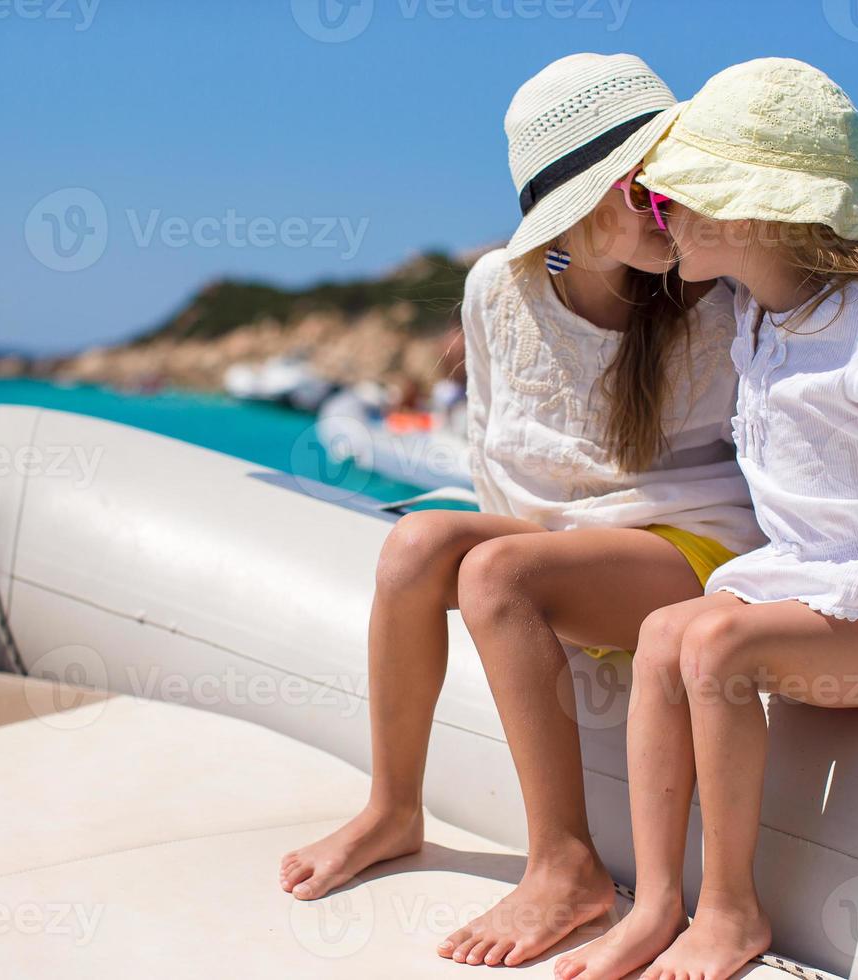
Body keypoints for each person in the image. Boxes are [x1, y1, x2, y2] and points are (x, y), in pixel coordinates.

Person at [278, 52, 764, 969]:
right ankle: (392, 806)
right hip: (562, 544)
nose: (670, 197)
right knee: (420, 542)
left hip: (692, 547)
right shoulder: (495, 290)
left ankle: (567, 864)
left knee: (498, 571)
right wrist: (537, 601)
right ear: (578, 203)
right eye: (641, 184)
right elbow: (493, 452)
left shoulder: (718, 291)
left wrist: (531, 587)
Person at [556, 58, 858, 980]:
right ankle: (659, 904)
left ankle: (730, 909)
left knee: (714, 646)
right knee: (668, 630)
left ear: (746, 213)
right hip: (813, 584)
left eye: (673, 203)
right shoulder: (754, 312)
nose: (659, 219)